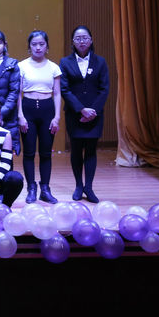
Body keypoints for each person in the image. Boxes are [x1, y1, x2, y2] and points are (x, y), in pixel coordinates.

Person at [59, 26, 110, 203]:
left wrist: (92, 111)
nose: (82, 41)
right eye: (78, 38)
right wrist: (81, 109)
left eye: (85, 38)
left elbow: (104, 89)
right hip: (75, 113)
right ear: (73, 42)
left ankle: (89, 187)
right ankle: (78, 186)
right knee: (75, 150)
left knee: (91, 150)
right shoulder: (65, 62)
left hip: (95, 114)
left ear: (91, 40)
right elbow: (64, 89)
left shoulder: (100, 62)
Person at [18, 30, 62, 204]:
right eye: (34, 44)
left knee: (45, 153)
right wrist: (20, 116)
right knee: (29, 152)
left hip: (47, 109)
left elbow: (57, 93)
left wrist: (57, 117)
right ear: (29, 47)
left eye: (41, 44)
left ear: (47, 46)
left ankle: (45, 189)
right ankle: (31, 188)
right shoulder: (21, 66)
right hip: (28, 108)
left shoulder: (54, 67)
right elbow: (18, 93)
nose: (38, 47)